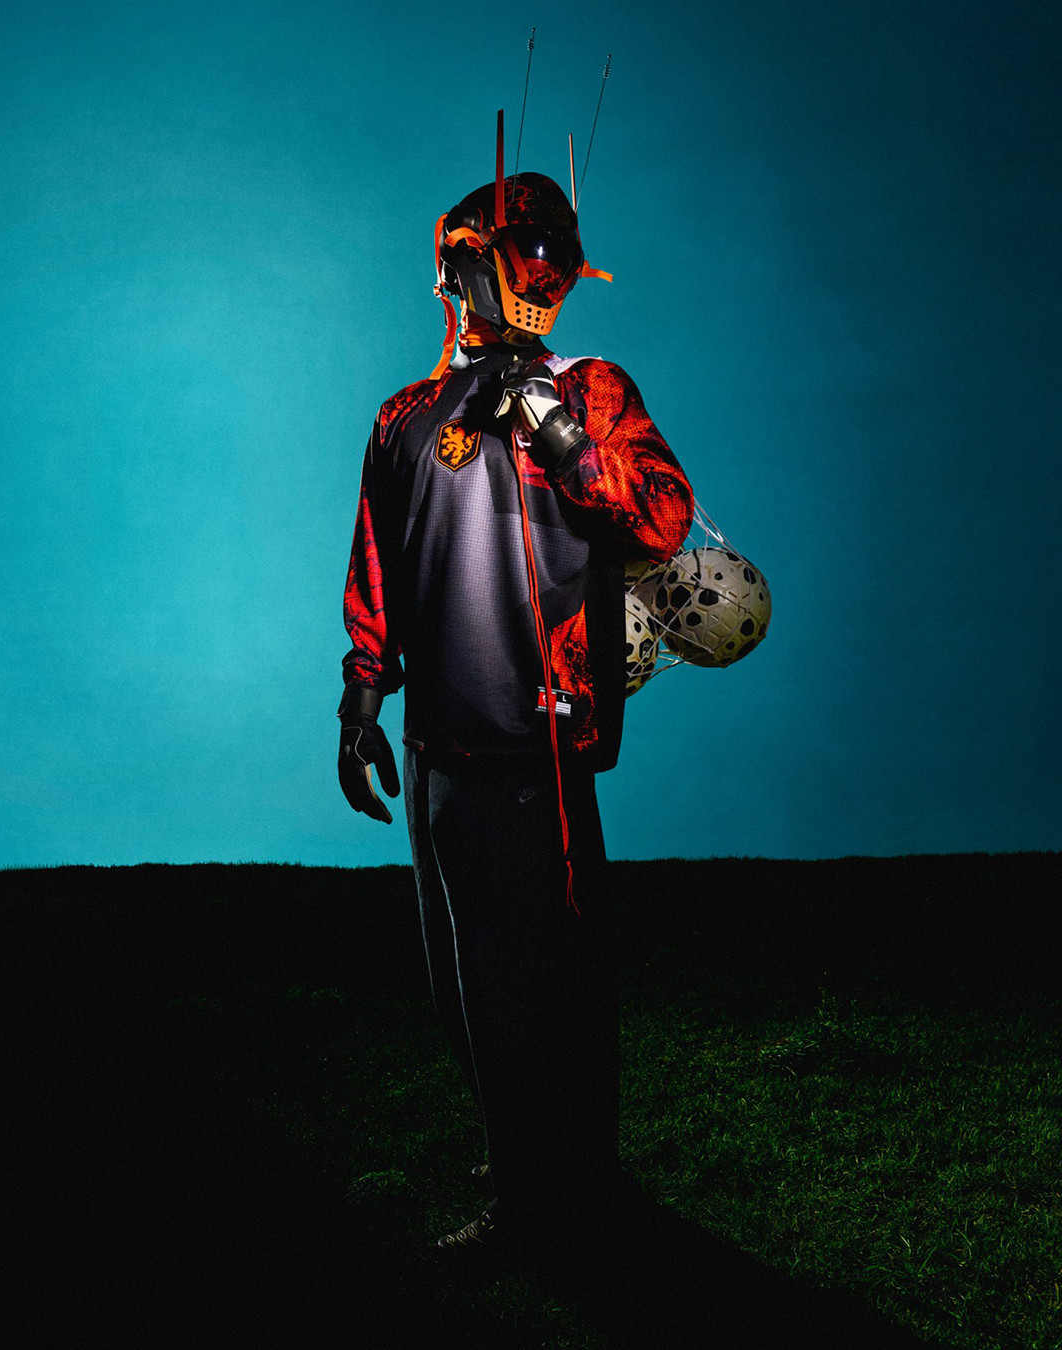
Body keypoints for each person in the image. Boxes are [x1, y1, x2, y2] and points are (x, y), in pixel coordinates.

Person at [337, 129, 693, 1255]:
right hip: (437, 742)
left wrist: (564, 436)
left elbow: (661, 518)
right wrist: (361, 698)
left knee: (556, 981)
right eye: (523, 251)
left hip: (546, 743)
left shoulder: (590, 388)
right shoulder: (405, 417)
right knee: (464, 986)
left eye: (558, 256)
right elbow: (380, 568)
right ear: (462, 263)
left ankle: (561, 1193)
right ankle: (524, 1156)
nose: (543, 273)